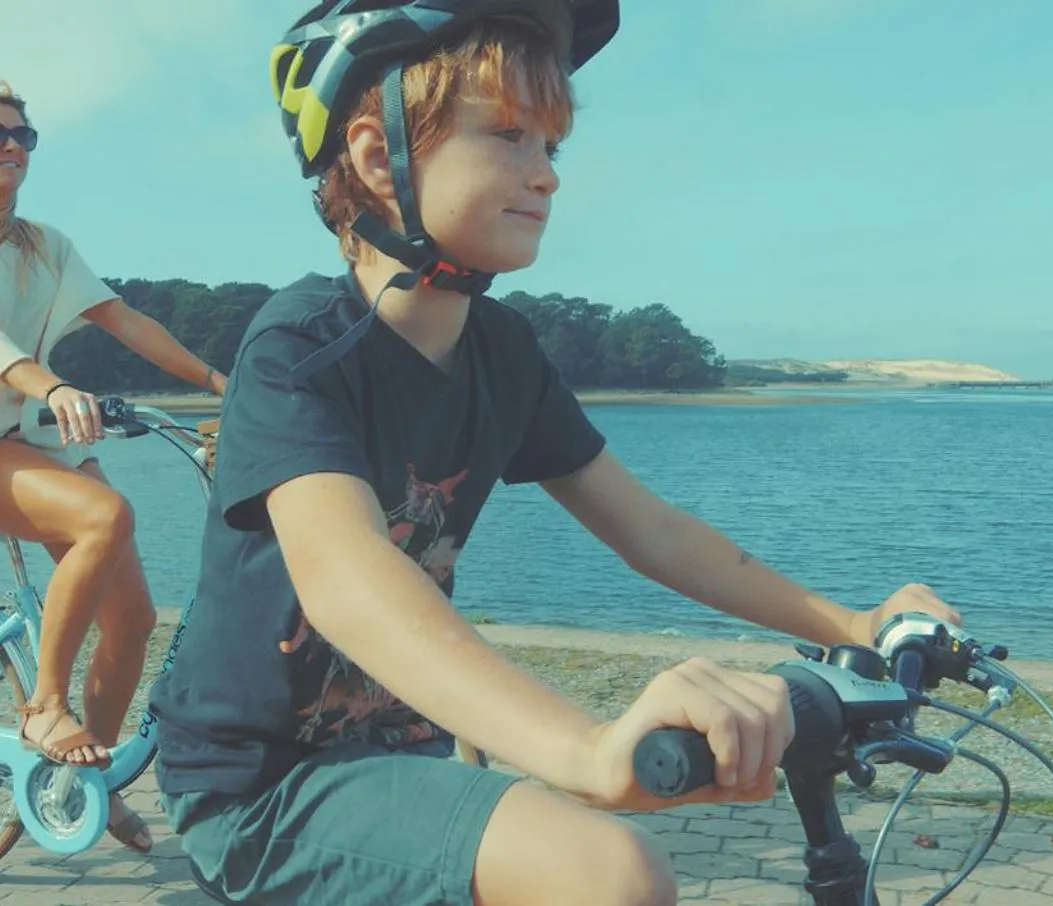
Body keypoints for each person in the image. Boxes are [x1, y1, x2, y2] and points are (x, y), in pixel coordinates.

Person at [146, 2, 963, 903]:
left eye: (552, 146)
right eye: (507, 135)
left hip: (402, 752)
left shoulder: (502, 352)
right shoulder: (297, 348)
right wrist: (584, 752)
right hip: (262, 786)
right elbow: (346, 582)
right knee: (605, 870)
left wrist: (851, 625)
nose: (546, 177)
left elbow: (649, 529)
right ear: (380, 159)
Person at [0, 78, 227, 855]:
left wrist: (220, 386)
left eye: (23, 137)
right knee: (106, 515)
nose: (11, 147)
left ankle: (87, 788)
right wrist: (54, 383)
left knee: (133, 621)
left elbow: (122, 318)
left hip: (37, 436)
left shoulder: (43, 244)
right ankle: (41, 706)